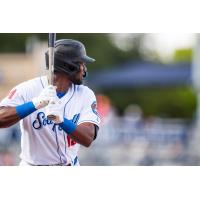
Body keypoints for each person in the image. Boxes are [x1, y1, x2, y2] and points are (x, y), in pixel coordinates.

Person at [0, 39, 100, 166]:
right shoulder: (27, 89)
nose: (84, 69)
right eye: (81, 63)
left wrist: (62, 121)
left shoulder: (85, 94)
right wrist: (34, 104)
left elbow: (87, 138)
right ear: (69, 66)